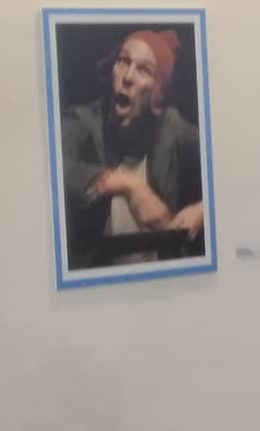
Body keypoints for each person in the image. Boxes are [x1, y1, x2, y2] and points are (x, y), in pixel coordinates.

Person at [61, 29, 205, 268]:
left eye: (144, 70)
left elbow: (229, 160)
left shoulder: (170, 127)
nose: (127, 77)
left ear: (158, 92)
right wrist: (130, 185)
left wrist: (204, 210)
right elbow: (49, 167)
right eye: (123, 61)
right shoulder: (84, 121)